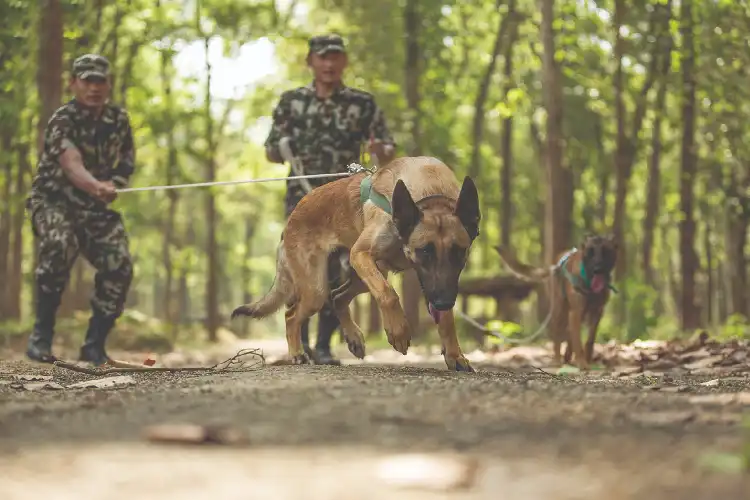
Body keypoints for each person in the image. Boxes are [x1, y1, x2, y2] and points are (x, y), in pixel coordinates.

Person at [264, 34, 396, 365]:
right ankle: (301, 344)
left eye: (335, 57)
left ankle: (324, 345)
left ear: (344, 62)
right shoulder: (291, 102)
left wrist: (382, 150)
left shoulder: (362, 103)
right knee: (305, 268)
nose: (329, 63)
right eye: (322, 57)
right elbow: (270, 151)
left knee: (341, 267)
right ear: (310, 61)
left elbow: (387, 145)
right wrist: (282, 148)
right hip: (303, 200)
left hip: (346, 199)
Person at [25, 54, 135, 366]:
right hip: (52, 201)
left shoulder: (118, 120)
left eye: (100, 81)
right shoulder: (64, 118)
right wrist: (94, 185)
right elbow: (70, 163)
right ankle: (41, 337)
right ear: (73, 83)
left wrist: (114, 183)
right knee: (59, 245)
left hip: (94, 209)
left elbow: (127, 161)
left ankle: (94, 345)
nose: (94, 87)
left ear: (108, 84)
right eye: (87, 81)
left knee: (120, 264)